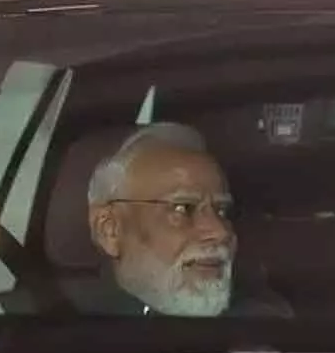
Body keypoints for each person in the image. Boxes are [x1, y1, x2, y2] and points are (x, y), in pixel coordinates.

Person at [82, 121, 290, 317]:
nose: (221, 232)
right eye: (182, 209)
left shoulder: (265, 322)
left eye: (221, 211)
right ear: (110, 230)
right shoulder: (78, 326)